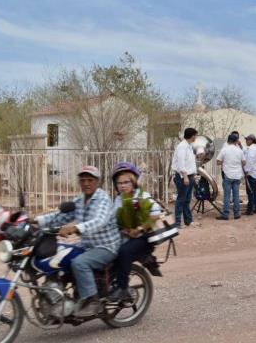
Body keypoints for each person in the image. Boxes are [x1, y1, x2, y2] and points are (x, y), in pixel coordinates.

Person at [33, 165, 121, 317]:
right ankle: (60, 295)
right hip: (86, 244)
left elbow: (99, 221)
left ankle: (92, 301)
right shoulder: (80, 200)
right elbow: (60, 217)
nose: (86, 183)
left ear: (97, 182)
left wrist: (75, 228)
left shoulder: (103, 199)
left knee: (80, 263)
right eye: (83, 180)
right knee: (58, 255)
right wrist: (34, 221)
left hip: (105, 246)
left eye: (90, 180)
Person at [108, 162, 162, 302]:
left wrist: (138, 229)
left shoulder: (142, 196)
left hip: (143, 238)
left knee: (124, 251)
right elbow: (113, 220)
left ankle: (122, 288)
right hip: (125, 235)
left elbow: (156, 214)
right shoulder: (118, 199)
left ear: (133, 181)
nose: (122, 185)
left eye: (126, 182)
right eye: (119, 183)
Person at [216, 133, 247, 220]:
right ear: (236, 141)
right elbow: (244, 163)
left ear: (228, 140)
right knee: (236, 196)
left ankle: (225, 214)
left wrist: (225, 162)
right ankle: (237, 214)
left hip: (227, 175)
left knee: (226, 196)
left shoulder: (225, 150)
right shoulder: (240, 151)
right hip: (237, 176)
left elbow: (218, 162)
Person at [172, 127, 197, 227]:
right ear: (192, 135)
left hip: (189, 176)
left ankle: (188, 221)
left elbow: (188, 162)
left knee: (187, 200)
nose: (196, 137)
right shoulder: (182, 147)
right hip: (183, 176)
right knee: (181, 199)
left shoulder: (189, 146)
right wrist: (185, 176)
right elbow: (181, 163)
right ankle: (177, 222)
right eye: (195, 135)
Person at [243, 134, 256, 215]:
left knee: (250, 192)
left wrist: (246, 171)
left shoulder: (251, 149)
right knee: (254, 191)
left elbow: (250, 160)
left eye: (247, 139)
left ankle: (250, 210)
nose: (246, 141)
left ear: (251, 140)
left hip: (252, 174)